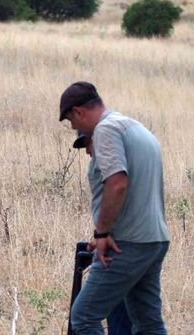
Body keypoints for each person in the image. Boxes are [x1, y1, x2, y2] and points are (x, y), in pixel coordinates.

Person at [60, 81, 170, 335]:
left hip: (127, 244)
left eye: (71, 121)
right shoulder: (134, 127)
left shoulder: (105, 130)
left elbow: (118, 184)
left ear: (78, 112)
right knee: (148, 323)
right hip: (154, 240)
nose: (74, 128)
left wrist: (102, 234)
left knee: (84, 317)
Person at [74, 132, 133, 335]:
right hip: (126, 250)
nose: (88, 151)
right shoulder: (114, 170)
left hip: (123, 253)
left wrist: (104, 237)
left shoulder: (118, 175)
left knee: (83, 317)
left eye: (89, 144)